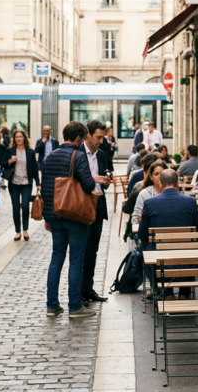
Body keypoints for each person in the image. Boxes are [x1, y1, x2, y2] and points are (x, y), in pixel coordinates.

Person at [41, 120, 97, 318]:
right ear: (79, 138)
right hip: (74, 215)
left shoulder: (50, 156)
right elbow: (89, 185)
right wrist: (94, 179)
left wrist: (47, 217)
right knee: (76, 261)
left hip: (55, 215)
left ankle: (52, 305)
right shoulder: (78, 155)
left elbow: (46, 188)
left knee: (56, 259)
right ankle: (74, 306)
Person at [137, 169, 198, 299]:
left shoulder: (150, 203)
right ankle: (184, 293)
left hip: (160, 260)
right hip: (186, 258)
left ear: (160, 184)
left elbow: (142, 234)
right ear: (178, 184)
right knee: (189, 248)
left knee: (146, 246)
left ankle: (166, 293)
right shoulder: (190, 201)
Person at [80, 120, 113, 305]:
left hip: (98, 205)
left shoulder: (100, 154)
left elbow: (106, 171)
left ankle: (88, 289)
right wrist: (92, 179)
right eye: (98, 137)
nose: (101, 141)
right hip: (83, 206)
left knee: (93, 251)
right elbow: (75, 180)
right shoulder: (78, 154)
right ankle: (79, 292)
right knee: (82, 252)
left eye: (103, 137)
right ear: (87, 136)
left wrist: (106, 180)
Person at [4, 129, 39, 242]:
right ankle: (18, 231)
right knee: (15, 207)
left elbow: (34, 168)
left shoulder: (30, 152)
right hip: (13, 183)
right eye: (16, 137)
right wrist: (10, 161)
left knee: (25, 206)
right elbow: (3, 163)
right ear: (14, 139)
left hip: (26, 183)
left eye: (20, 136)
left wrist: (38, 183)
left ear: (24, 138)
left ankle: (25, 229)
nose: (18, 139)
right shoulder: (10, 150)